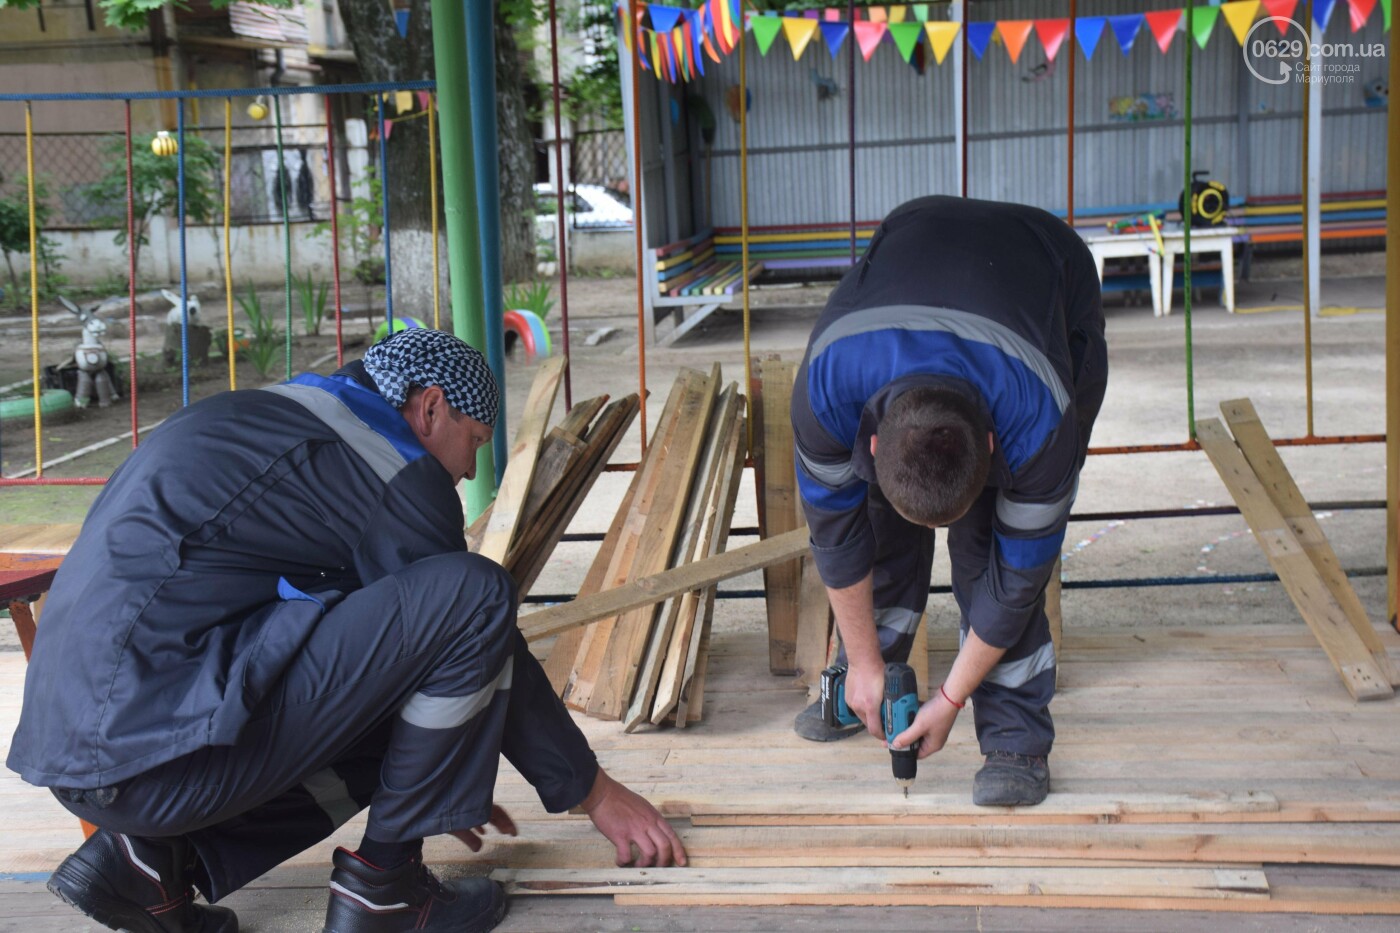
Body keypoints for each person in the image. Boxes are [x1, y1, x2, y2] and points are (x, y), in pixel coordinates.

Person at [8, 327, 686, 933]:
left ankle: (144, 866)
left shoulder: (269, 419)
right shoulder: (389, 465)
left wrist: (453, 761)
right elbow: (472, 622)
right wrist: (591, 790)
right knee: (477, 589)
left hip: (87, 752)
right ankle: (386, 893)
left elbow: (383, 642)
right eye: (474, 442)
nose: (471, 470)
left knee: (397, 690)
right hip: (152, 755)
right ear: (429, 409)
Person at [790, 195, 1108, 807]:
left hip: (1048, 269)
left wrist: (950, 697)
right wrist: (861, 659)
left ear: (993, 447)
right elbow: (837, 537)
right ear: (872, 441)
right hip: (918, 233)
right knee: (877, 525)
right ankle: (864, 683)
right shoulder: (827, 390)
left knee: (991, 546)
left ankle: (1015, 737)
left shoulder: (1039, 422)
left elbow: (1018, 579)